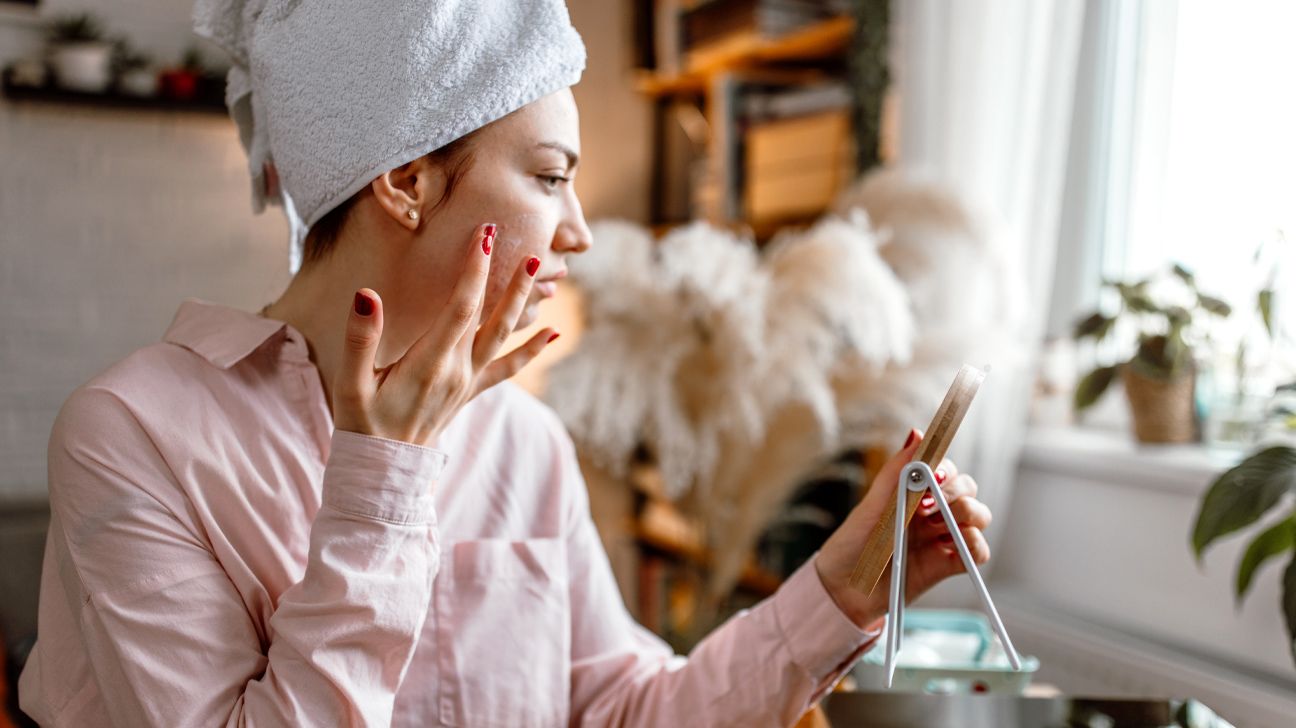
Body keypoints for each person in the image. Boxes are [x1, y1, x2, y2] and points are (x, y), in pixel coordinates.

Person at [19, 1, 995, 725]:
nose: (578, 230)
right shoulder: (134, 431)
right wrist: (381, 480)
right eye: (548, 176)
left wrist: (843, 590)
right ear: (405, 180)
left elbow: (627, 708)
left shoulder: (522, 438)